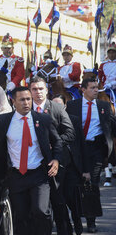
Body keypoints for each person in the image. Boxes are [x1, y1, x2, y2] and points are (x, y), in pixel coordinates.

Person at [0, 86, 62, 235]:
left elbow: (57, 142)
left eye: (28, 99)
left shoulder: (42, 119)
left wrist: (56, 160)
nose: (26, 103)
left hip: (39, 175)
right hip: (16, 175)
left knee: (41, 211)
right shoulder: (4, 120)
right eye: (22, 100)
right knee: (21, 215)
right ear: (13, 101)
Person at [66, 78, 115, 233]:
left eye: (97, 87)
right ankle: (74, 218)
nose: (96, 90)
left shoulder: (104, 106)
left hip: (96, 150)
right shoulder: (72, 106)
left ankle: (91, 221)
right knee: (75, 185)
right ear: (83, 89)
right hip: (77, 149)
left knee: (92, 185)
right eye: (93, 88)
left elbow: (112, 126)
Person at [29, 76, 75, 235]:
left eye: (41, 89)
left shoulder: (56, 108)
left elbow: (70, 133)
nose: (38, 92)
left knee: (59, 204)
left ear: (47, 90)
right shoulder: (25, 109)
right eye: (34, 89)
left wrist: (54, 144)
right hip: (33, 165)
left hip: (57, 164)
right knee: (39, 208)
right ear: (30, 91)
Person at [52, 94, 90, 235]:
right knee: (60, 200)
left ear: (65, 106)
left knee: (73, 200)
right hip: (57, 168)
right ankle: (65, 227)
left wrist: (86, 170)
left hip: (74, 167)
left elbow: (82, 147)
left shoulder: (74, 121)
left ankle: (78, 224)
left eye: (59, 105)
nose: (57, 108)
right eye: (54, 105)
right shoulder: (48, 122)